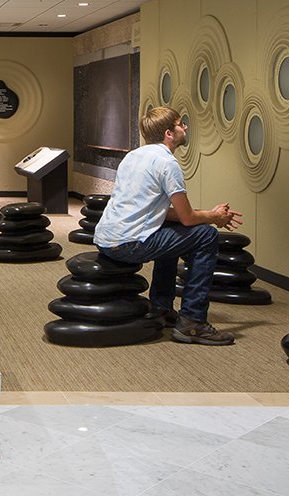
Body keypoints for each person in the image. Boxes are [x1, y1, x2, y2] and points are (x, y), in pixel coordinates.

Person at [94, 106, 244, 345]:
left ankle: (161, 308)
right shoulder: (167, 163)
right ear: (169, 133)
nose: (185, 127)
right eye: (180, 124)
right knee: (206, 235)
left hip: (105, 239)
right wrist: (214, 217)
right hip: (129, 244)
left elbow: (156, 212)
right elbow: (188, 218)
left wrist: (208, 215)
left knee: (175, 234)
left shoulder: (133, 156)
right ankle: (193, 322)